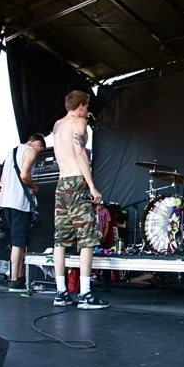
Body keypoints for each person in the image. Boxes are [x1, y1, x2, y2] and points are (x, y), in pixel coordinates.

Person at [52, 90, 110, 310]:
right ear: (82, 106)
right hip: (77, 181)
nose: (88, 110)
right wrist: (93, 187)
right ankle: (85, 294)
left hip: (61, 183)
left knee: (61, 240)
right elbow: (80, 153)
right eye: (87, 106)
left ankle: (61, 293)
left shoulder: (57, 126)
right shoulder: (79, 123)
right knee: (87, 238)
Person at [0, 134, 46, 292]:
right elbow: (24, 175)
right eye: (40, 150)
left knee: (17, 240)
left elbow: (3, 179)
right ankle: (14, 280)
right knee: (19, 242)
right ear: (37, 142)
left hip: (5, 202)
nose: (38, 154)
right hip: (19, 202)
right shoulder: (30, 151)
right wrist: (34, 187)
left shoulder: (11, 152)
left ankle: (19, 276)